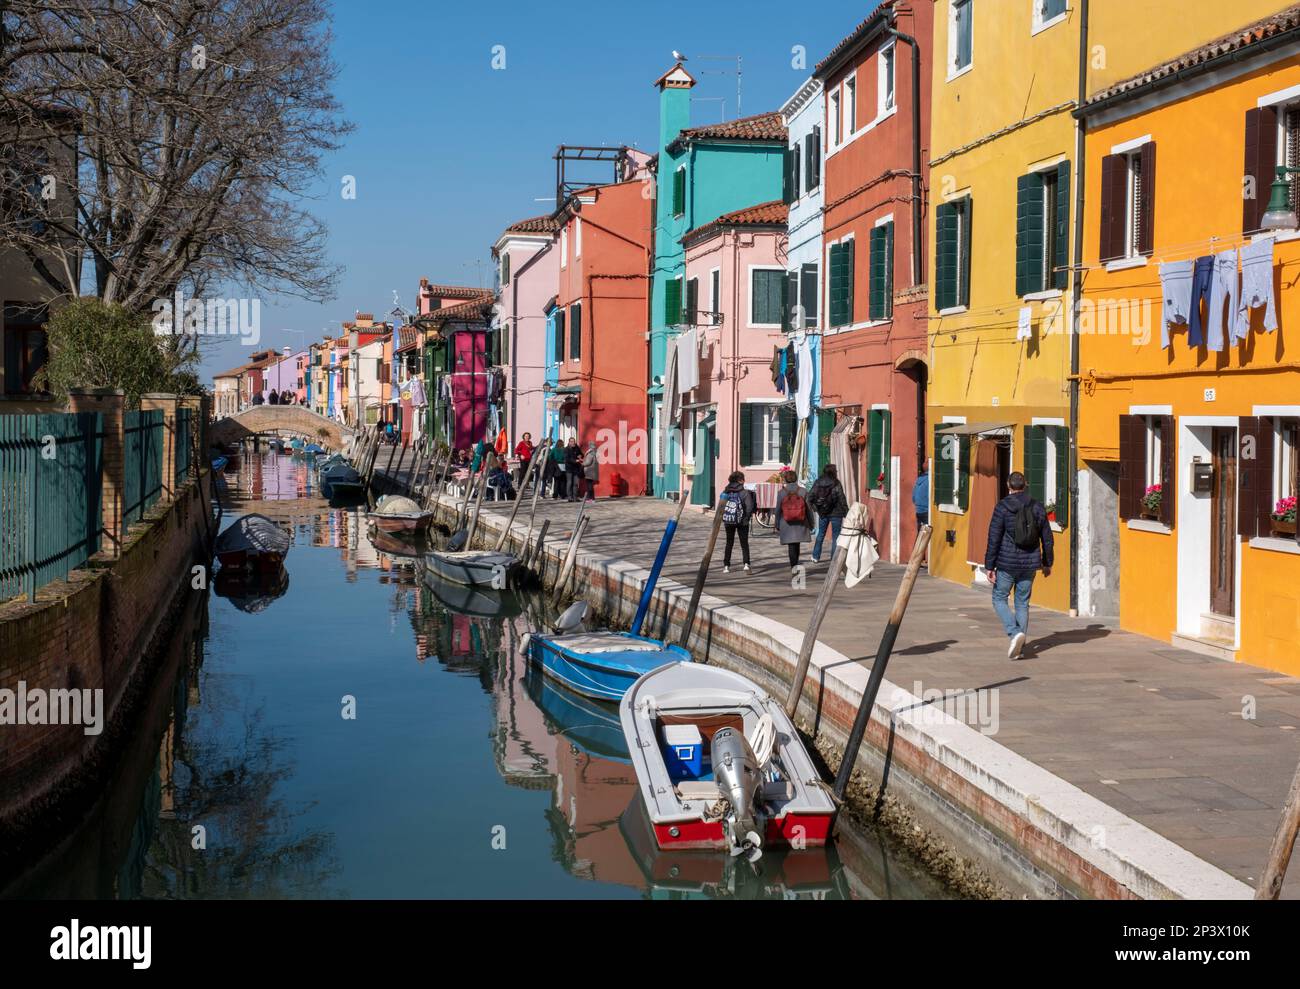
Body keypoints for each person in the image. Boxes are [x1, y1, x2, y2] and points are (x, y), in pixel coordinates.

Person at [985, 471, 1054, 660]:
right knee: (1022, 603)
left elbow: (994, 537)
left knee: (999, 598)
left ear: (1008, 485)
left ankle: (1014, 633)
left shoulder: (1002, 507)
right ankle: (1020, 647)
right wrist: (1047, 563)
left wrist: (989, 566)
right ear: (1026, 485)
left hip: (1007, 563)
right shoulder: (1038, 507)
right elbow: (1047, 538)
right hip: (1030, 563)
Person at [808, 464, 849, 563]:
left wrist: (816, 509)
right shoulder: (836, 483)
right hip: (837, 513)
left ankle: (815, 556)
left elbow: (809, 498)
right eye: (836, 470)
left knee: (821, 534)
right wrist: (846, 512)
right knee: (836, 536)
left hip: (823, 513)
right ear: (833, 472)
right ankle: (834, 559)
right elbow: (841, 498)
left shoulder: (818, 482)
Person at [719, 472, 757, 573]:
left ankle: (726, 565)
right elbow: (749, 507)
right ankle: (746, 564)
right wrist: (746, 518)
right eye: (743, 479)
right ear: (740, 480)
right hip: (742, 522)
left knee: (729, 543)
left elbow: (721, 505)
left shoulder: (726, 491)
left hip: (729, 520)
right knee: (744, 543)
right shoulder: (744, 492)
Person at [774, 469, 811, 571]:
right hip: (801, 522)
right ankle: (795, 564)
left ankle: (793, 567)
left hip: (786, 523)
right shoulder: (803, 491)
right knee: (797, 544)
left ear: (785, 479)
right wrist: (811, 523)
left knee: (791, 545)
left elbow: (777, 510)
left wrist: (777, 524)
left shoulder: (781, 493)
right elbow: (808, 509)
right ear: (796, 478)